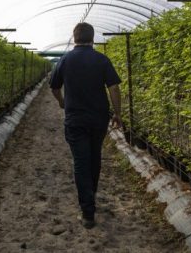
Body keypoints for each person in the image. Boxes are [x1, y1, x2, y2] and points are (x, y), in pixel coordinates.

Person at [50, 22, 122, 229]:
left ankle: (87, 212)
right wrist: (118, 113)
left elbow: (54, 87)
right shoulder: (101, 59)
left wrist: (62, 102)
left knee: (81, 162)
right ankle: (91, 196)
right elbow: (114, 88)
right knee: (94, 157)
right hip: (98, 119)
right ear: (92, 38)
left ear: (75, 38)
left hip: (75, 120)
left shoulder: (65, 60)